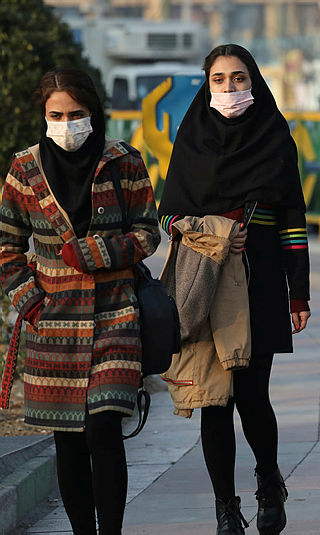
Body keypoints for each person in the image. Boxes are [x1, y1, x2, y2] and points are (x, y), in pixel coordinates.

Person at [157, 43, 310, 535]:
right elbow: (167, 214)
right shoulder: (193, 135)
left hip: (262, 277)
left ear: (254, 82)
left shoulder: (273, 132)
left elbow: (292, 219)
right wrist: (212, 229)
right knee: (213, 399)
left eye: (239, 79)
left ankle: (269, 481)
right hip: (204, 279)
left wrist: (298, 292)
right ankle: (226, 507)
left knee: (252, 395)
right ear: (208, 85)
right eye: (220, 80)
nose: (230, 89)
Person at [0, 68, 160, 535]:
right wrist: (30, 301)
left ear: (93, 112)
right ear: (43, 116)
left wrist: (99, 251)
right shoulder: (24, 170)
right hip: (52, 323)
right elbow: (7, 246)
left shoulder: (123, 161)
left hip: (116, 316)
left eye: (76, 114)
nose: (66, 123)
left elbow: (147, 232)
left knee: (105, 430)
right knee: (68, 440)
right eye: (56, 114)